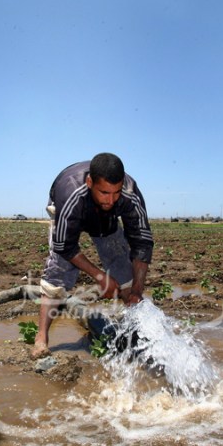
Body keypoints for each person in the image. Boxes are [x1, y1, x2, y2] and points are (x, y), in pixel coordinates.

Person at [33, 152, 154, 358]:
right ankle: (41, 338)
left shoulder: (129, 194)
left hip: (105, 222)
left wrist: (137, 289)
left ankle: (136, 335)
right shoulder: (71, 193)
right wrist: (100, 277)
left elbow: (141, 241)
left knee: (125, 273)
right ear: (90, 182)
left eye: (116, 193)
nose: (111, 199)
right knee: (58, 273)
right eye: (104, 192)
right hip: (68, 212)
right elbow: (65, 245)